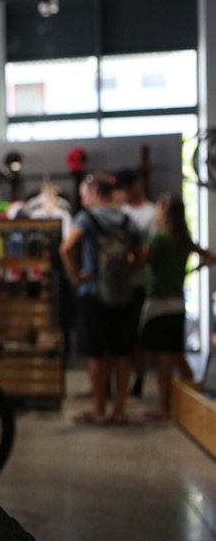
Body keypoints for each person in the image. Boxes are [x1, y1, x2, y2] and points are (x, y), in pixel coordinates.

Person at [59, 171, 142, 425]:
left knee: (96, 354)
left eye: (84, 194)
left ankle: (99, 410)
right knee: (122, 354)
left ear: (95, 192)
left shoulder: (87, 218)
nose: (83, 200)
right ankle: (119, 411)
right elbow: (141, 254)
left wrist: (76, 275)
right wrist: (126, 273)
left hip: (93, 292)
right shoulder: (127, 219)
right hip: (123, 293)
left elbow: (66, 248)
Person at [138, 194, 215, 420]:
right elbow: (211, 257)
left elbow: (142, 261)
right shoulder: (183, 239)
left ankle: (164, 406)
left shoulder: (160, 239)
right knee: (178, 355)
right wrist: (191, 270)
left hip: (159, 303)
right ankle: (195, 401)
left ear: (164, 211)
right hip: (177, 303)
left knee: (163, 357)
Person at [113, 167, 157, 397]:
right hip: (120, 284)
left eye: (123, 189)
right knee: (121, 337)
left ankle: (139, 379)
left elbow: (150, 252)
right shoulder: (121, 212)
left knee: (138, 337)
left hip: (140, 283)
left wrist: (133, 265)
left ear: (135, 186)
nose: (119, 194)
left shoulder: (151, 213)